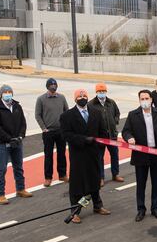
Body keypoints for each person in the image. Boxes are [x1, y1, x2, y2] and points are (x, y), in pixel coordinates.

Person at [60, 88, 111, 224]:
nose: (82, 98)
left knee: (94, 180)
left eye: (84, 95)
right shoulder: (67, 116)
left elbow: (103, 132)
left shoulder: (96, 113)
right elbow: (66, 135)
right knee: (77, 184)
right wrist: (83, 140)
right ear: (75, 99)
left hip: (93, 153)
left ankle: (97, 205)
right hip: (78, 154)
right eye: (79, 96)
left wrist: (101, 147)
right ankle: (75, 211)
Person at [121, 89, 157, 222]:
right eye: (142, 99)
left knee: (156, 183)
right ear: (139, 100)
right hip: (141, 155)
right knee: (141, 184)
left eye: (146, 98)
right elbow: (125, 131)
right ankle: (141, 209)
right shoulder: (133, 115)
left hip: (156, 153)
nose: (144, 101)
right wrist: (129, 138)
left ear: (151, 99)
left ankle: (155, 208)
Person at [0, 84, 32, 204]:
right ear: (1, 94)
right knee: (2, 169)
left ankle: (20, 189)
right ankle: (0, 194)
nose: (8, 94)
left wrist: (21, 136)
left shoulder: (17, 106)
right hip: (2, 144)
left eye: (9, 92)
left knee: (18, 167)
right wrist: (8, 139)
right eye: (5, 92)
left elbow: (23, 123)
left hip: (17, 142)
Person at [35, 78, 68, 187]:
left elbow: (66, 112)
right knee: (48, 155)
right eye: (51, 85)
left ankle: (62, 174)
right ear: (47, 86)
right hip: (48, 132)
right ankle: (48, 177)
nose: (53, 87)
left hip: (60, 131)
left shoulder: (62, 98)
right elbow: (37, 115)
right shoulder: (41, 99)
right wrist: (43, 128)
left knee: (61, 154)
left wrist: (65, 127)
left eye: (55, 85)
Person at [89, 82, 123, 185]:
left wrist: (114, 121)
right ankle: (100, 177)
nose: (101, 93)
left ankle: (115, 174)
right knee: (99, 157)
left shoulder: (111, 102)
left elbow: (117, 113)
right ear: (96, 92)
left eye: (103, 91)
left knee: (115, 155)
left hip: (112, 135)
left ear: (106, 91)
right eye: (99, 91)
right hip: (100, 137)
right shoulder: (91, 104)